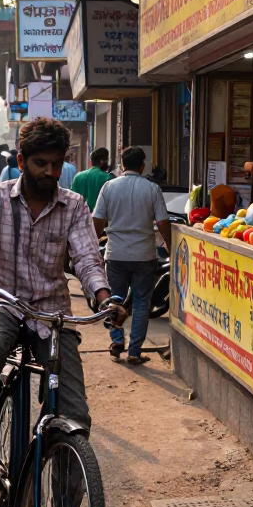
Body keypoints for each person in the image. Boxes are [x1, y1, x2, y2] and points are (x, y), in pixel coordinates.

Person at [0, 116, 126, 476]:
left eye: (55, 164)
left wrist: (105, 296)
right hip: (2, 301)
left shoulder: (75, 206)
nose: (49, 172)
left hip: (53, 315)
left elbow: (88, 260)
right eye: (40, 163)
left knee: (75, 415)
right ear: (21, 162)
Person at [92, 145, 171, 365]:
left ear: (122, 165)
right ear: (142, 166)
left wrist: (91, 247)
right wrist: (171, 246)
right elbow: (163, 222)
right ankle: (134, 351)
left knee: (113, 300)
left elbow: (97, 221)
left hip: (116, 253)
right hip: (145, 255)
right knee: (141, 303)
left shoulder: (109, 187)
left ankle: (117, 340)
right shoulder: (152, 189)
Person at [72, 147, 112, 211]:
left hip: (79, 217)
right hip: (100, 219)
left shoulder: (78, 176)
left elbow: (72, 200)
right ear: (101, 162)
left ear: (91, 162)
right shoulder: (108, 178)